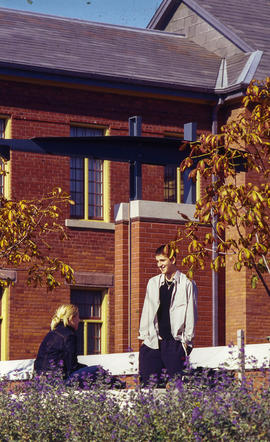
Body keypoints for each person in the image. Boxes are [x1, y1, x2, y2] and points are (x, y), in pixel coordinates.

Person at [138, 244, 198, 386]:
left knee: (177, 389)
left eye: (163, 260)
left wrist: (187, 342)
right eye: (157, 261)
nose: (159, 265)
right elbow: (146, 310)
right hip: (152, 342)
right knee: (148, 388)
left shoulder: (187, 283)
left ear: (173, 259)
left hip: (175, 344)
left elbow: (191, 314)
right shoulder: (153, 283)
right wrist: (144, 337)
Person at [34, 304, 100, 386]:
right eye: (78, 317)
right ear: (72, 318)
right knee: (98, 370)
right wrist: (86, 368)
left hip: (39, 380)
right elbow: (72, 367)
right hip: (57, 381)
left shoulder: (51, 333)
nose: (79, 320)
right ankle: (120, 386)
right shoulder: (69, 335)